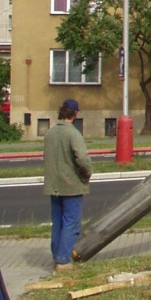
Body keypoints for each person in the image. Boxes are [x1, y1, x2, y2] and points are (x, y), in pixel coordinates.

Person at [43, 99, 93, 273]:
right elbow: (83, 159)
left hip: (53, 185)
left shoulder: (50, 133)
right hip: (71, 185)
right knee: (71, 224)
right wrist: (87, 173)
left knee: (57, 223)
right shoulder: (73, 134)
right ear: (74, 114)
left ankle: (57, 257)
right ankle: (63, 261)